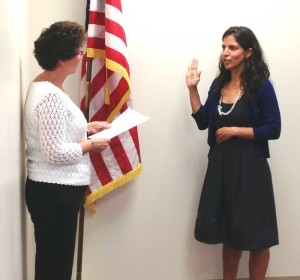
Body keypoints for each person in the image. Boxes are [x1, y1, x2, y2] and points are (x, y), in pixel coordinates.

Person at [185, 26, 281, 280]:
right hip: (222, 167)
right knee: (231, 233)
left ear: (248, 52)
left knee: (258, 236)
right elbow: (204, 120)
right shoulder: (219, 84)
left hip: (251, 169)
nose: (225, 53)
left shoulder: (261, 86)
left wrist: (236, 130)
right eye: (223, 47)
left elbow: (273, 128)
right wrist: (192, 89)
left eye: (233, 48)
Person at [24, 21, 111, 280]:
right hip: (54, 193)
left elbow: (57, 130)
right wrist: (91, 145)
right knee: (55, 269)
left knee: (55, 265)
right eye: (79, 52)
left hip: (55, 192)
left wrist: (87, 127)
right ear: (63, 58)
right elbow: (55, 152)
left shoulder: (47, 86)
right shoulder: (49, 95)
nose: (81, 57)